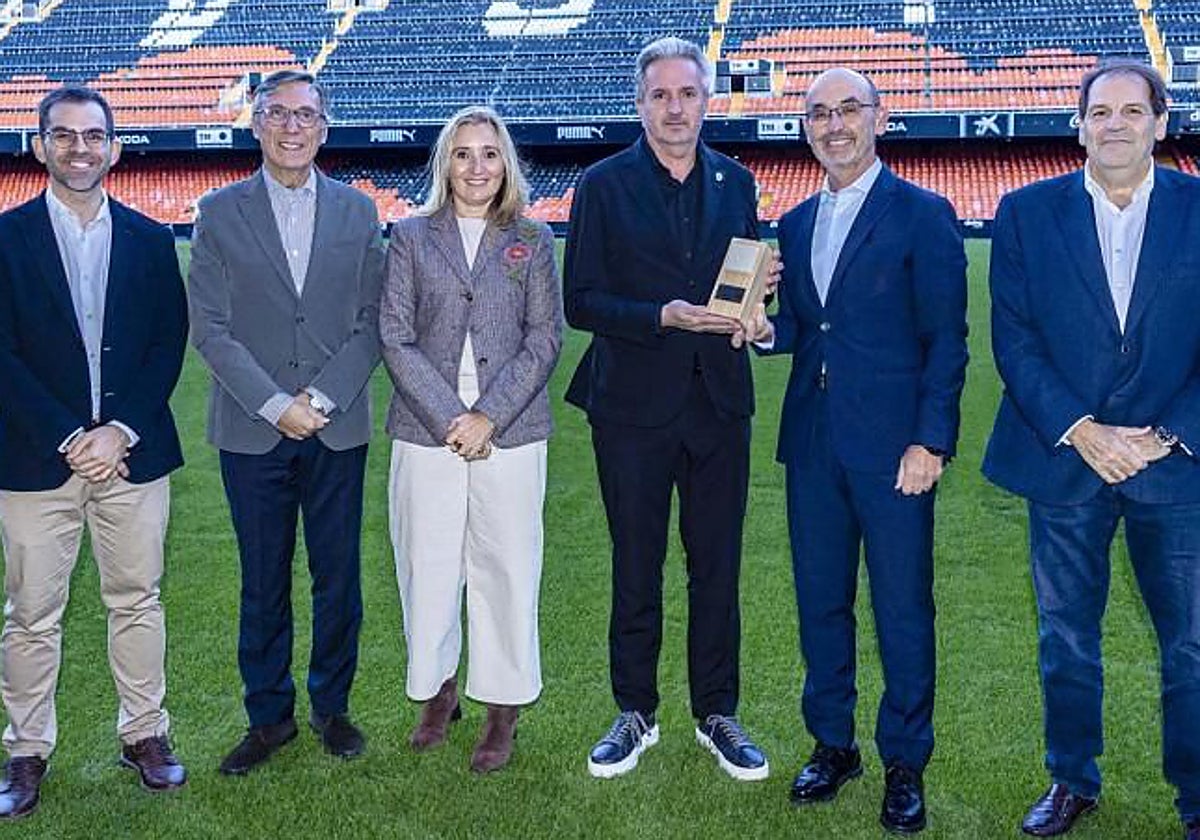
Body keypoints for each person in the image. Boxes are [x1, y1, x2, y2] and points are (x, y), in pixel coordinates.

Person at [982, 60, 1200, 840]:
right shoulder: (1024, 212)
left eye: (1132, 111)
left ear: (1160, 123)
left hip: (1174, 468)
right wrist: (1081, 428)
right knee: (1066, 638)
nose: (1115, 124)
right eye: (1099, 111)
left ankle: (1196, 795)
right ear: (1079, 124)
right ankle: (1073, 780)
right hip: (1066, 459)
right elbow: (1014, 337)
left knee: (1193, 645)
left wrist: (1166, 433)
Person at [747, 67, 968, 833]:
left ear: (879, 118)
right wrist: (766, 330)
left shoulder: (924, 213)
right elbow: (813, 330)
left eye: (848, 110)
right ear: (805, 127)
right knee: (821, 604)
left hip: (896, 451)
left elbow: (947, 342)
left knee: (903, 609)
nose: (833, 124)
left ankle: (904, 759)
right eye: (818, 113)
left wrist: (930, 440)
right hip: (814, 443)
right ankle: (833, 743)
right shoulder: (798, 222)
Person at [564, 36, 776, 782]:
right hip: (629, 407)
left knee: (716, 566)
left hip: (720, 403)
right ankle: (635, 711)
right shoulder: (601, 184)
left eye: (687, 93)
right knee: (637, 564)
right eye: (660, 95)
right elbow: (579, 300)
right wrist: (665, 314)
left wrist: (757, 316)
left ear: (707, 100)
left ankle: (717, 711)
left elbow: (747, 291)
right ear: (640, 103)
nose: (674, 107)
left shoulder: (737, 181)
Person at [188, 70, 385, 775]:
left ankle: (331, 708)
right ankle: (268, 718)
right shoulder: (217, 210)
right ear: (257, 123)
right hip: (251, 429)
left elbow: (373, 322)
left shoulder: (360, 212)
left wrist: (321, 401)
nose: (292, 127)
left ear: (324, 128)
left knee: (339, 576)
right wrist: (277, 405)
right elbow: (209, 329)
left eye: (306, 115)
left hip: (337, 426)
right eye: (278, 113)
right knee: (263, 579)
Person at [0, 86, 189, 818]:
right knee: (30, 613)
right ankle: (26, 749)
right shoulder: (7, 237)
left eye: (94, 136)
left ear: (114, 147)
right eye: (64, 135)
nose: (80, 148)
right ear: (39, 145)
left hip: (132, 458)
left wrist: (120, 430)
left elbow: (165, 342)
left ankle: (144, 734)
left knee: (137, 599)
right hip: (32, 460)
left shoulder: (148, 237)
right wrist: (69, 435)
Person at [379, 105, 562, 773]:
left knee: (507, 568)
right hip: (425, 434)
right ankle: (438, 691)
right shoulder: (409, 237)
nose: (476, 166)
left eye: (489, 153)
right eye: (463, 154)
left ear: (505, 163)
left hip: (510, 435)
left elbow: (544, 339)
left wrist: (488, 417)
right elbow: (394, 337)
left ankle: (501, 707)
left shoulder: (532, 241)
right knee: (427, 567)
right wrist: (451, 419)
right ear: (445, 164)